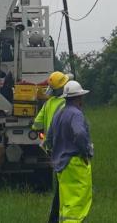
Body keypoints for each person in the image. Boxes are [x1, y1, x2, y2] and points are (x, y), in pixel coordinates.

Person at [45, 80, 94, 222]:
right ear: (79, 98)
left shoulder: (58, 114)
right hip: (75, 163)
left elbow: (48, 138)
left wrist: (53, 153)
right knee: (77, 204)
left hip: (60, 165)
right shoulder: (76, 114)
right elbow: (79, 133)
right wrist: (87, 151)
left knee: (65, 202)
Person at [33, 71, 71, 223]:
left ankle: (54, 218)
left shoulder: (49, 103)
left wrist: (40, 131)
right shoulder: (65, 104)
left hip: (51, 149)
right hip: (64, 148)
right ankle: (56, 218)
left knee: (59, 184)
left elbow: (36, 123)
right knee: (63, 186)